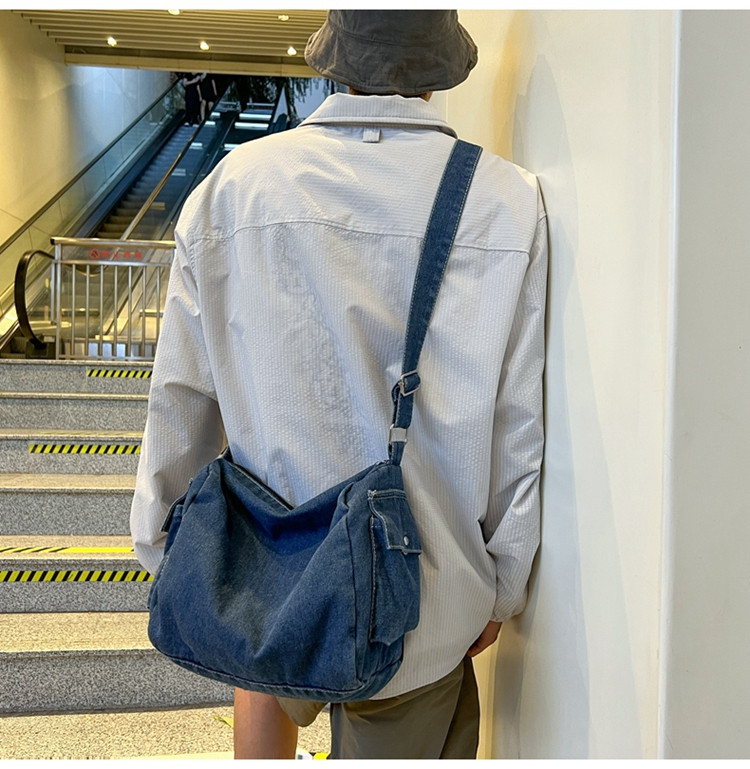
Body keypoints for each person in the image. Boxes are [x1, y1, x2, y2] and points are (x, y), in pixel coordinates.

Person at [130, 10, 547, 760]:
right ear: (438, 72)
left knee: (262, 654)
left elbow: (181, 398)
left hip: (269, 575)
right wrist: (504, 584)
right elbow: (519, 421)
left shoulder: (232, 189)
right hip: (422, 600)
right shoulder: (505, 201)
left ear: (336, 63)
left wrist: (166, 544)